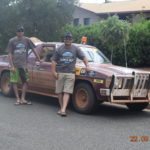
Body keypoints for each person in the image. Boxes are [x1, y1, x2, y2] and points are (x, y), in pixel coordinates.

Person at [51, 32, 89, 116]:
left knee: (67, 92)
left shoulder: (76, 49)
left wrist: (87, 66)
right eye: (66, 38)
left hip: (70, 73)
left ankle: (63, 109)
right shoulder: (59, 49)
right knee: (59, 92)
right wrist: (53, 72)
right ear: (64, 39)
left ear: (72, 40)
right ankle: (61, 108)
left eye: (69, 38)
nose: (67, 40)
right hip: (60, 73)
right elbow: (53, 61)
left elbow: (84, 57)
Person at [7, 25, 41, 105]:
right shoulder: (12, 41)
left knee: (25, 81)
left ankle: (23, 98)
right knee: (14, 82)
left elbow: (33, 49)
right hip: (15, 65)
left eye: (21, 31)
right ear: (16, 32)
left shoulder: (27, 40)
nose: (20, 32)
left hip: (24, 65)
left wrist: (39, 58)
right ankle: (17, 99)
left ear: (23, 32)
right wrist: (11, 66)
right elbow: (9, 53)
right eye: (19, 31)